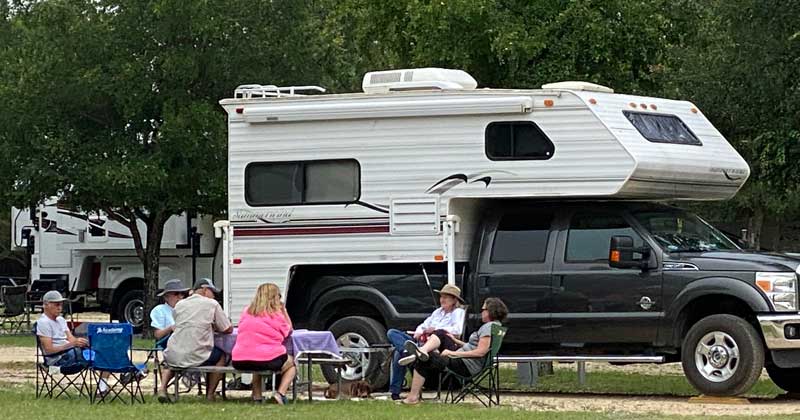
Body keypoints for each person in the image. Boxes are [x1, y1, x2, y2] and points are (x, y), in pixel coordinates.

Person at [401, 297, 508, 405]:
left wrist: (452, 353)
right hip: (468, 364)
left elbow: (480, 352)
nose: (481, 312)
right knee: (442, 334)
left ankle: (412, 397)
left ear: (491, 311)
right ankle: (421, 351)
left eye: (483, 309)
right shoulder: (497, 327)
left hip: (465, 366)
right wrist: (455, 340)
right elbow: (474, 347)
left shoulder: (488, 327)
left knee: (426, 358)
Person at [386, 283, 466, 400]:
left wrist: (436, 330)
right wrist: (419, 331)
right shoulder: (437, 312)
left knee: (398, 353)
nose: (442, 300)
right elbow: (423, 325)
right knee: (392, 333)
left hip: (437, 345)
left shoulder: (458, 313)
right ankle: (408, 352)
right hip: (421, 343)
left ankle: (395, 392)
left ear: (454, 300)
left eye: (445, 297)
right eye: (441, 297)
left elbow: (457, 330)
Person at [158, 278, 232, 403]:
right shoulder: (212, 304)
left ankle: (163, 389)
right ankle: (210, 394)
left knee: (171, 361)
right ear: (204, 290)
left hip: (174, 353)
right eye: (212, 292)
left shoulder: (180, 304)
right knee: (220, 356)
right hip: (198, 354)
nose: (214, 295)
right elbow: (227, 329)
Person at [231, 283, 297, 404]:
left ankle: (257, 396)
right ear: (275, 298)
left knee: (256, 362)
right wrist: (284, 310)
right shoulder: (275, 314)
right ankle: (280, 394)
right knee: (292, 363)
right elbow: (289, 330)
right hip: (268, 359)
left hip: (239, 360)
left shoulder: (247, 311)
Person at [36, 290, 111, 393]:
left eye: (61, 304)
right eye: (57, 304)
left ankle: (103, 387)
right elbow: (49, 350)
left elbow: (71, 339)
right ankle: (106, 386)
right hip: (59, 360)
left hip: (72, 353)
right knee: (103, 354)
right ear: (46, 305)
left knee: (105, 349)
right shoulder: (43, 323)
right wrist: (72, 344)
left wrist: (81, 342)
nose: (60, 308)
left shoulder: (61, 320)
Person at [149, 279, 189, 348]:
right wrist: (171, 328)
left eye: (182, 294)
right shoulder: (160, 310)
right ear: (166, 297)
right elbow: (157, 335)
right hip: (166, 347)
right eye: (176, 294)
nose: (180, 297)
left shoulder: (187, 309)